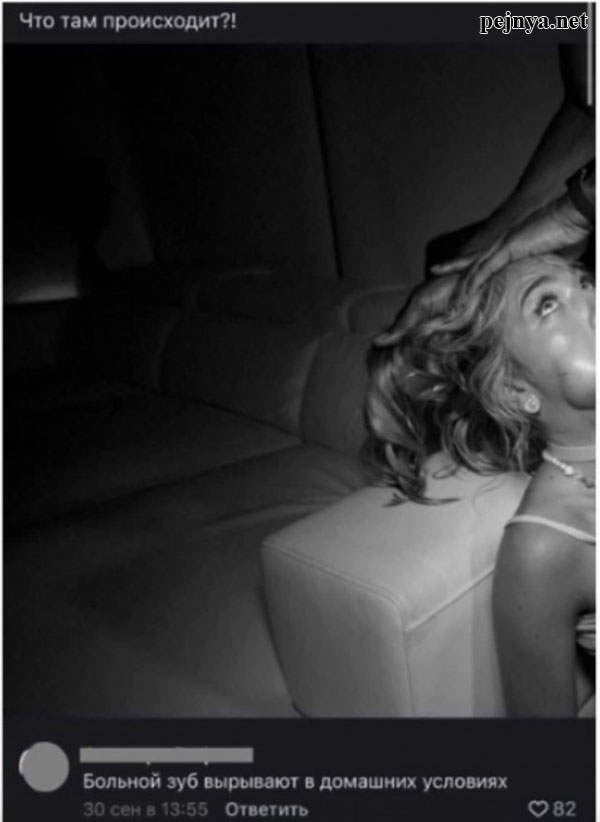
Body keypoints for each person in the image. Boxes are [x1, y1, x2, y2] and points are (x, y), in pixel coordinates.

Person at [364, 254, 595, 717]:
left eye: (587, 282)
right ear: (514, 390)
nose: (594, 298)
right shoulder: (544, 546)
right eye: (548, 304)